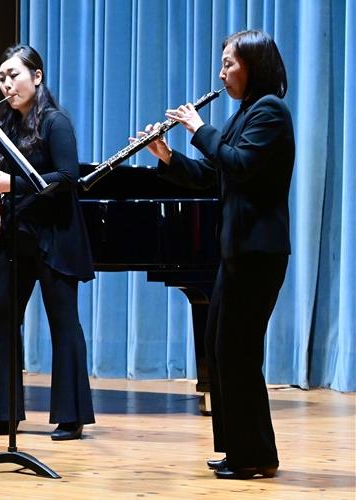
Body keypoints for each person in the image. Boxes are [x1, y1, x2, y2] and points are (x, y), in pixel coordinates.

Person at [137, 29, 294, 479]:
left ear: (254, 66)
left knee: (239, 351)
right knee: (218, 346)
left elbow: (240, 165)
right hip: (236, 252)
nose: (222, 72)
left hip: (259, 253)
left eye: (229, 63)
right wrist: (166, 157)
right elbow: (210, 174)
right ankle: (236, 446)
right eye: (223, 63)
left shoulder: (271, 112)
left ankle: (256, 456)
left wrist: (199, 129)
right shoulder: (243, 114)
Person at [0, 45, 95, 441]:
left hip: (55, 236)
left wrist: (12, 184)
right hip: (16, 235)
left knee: (63, 324)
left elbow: (67, 178)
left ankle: (70, 417)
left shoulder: (56, 123)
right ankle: (2, 413)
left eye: (14, 75)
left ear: (37, 77)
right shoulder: (2, 127)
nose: (7, 84)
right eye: (2, 78)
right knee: (5, 319)